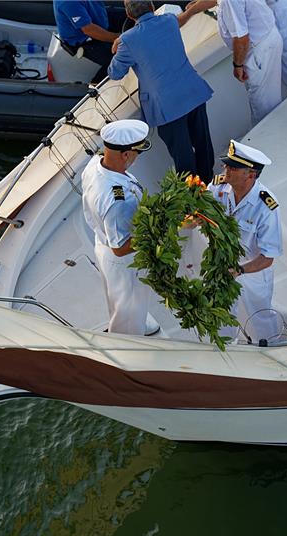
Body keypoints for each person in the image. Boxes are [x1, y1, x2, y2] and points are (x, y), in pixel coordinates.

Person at [108, 0, 216, 183]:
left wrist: (118, 46)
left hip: (167, 106)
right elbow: (179, 19)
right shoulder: (169, 21)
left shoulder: (127, 41)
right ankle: (208, 180)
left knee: (183, 156)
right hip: (193, 92)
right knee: (202, 142)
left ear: (129, 15)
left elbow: (115, 73)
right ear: (151, 7)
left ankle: (193, 196)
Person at [81, 119, 159, 335]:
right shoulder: (119, 199)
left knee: (117, 298)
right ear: (125, 154)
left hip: (102, 243)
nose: (136, 157)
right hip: (124, 261)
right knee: (129, 306)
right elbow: (121, 247)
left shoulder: (95, 165)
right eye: (136, 153)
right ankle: (127, 343)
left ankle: (130, 322)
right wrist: (159, 232)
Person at [208, 140, 283, 343]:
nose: (226, 170)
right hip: (222, 265)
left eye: (233, 167)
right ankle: (226, 353)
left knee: (260, 318)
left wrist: (239, 270)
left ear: (250, 174)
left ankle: (271, 354)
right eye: (226, 164)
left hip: (253, 272)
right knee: (221, 316)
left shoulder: (266, 207)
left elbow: (268, 257)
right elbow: (201, 210)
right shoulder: (217, 188)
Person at [218, 0, 284, 125]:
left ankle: (269, 140)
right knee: (271, 102)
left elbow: (241, 38)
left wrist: (237, 65)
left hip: (259, 52)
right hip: (268, 38)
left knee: (264, 110)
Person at [53, 0, 118, 83]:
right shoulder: (68, 2)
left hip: (99, 20)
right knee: (119, 59)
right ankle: (96, 88)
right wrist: (121, 38)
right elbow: (89, 30)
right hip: (85, 40)